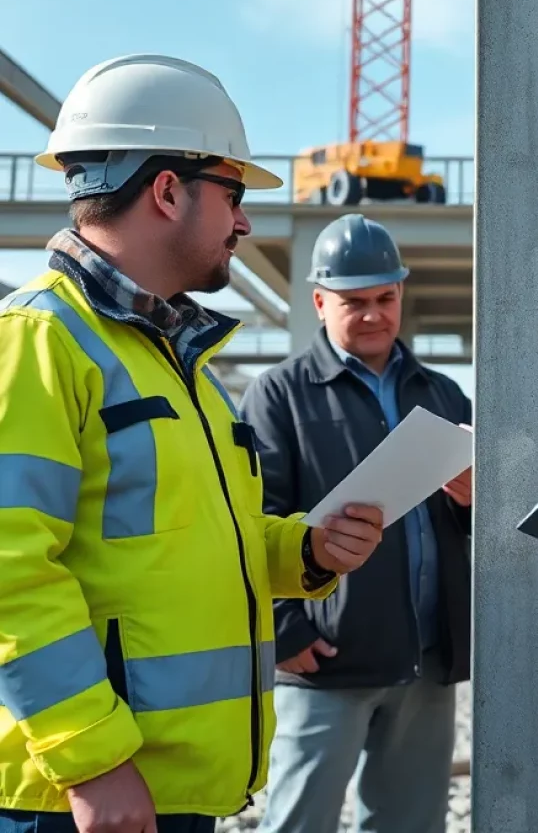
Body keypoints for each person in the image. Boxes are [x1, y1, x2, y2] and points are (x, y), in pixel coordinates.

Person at [0, 54, 385, 833]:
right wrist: (93, 762)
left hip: (169, 788)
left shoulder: (178, 360)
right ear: (168, 191)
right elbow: (8, 568)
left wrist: (305, 551)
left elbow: (186, 543)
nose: (244, 223)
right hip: (79, 797)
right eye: (234, 196)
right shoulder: (38, 340)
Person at [240, 213, 473, 833]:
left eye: (385, 298)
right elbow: (252, 519)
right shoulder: (279, 395)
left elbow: (489, 526)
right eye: (353, 301)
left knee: (411, 824)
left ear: (401, 295)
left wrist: (475, 500)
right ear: (319, 302)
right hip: (327, 662)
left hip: (425, 659)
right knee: (299, 821)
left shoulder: (444, 395)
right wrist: (287, 635)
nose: (373, 313)